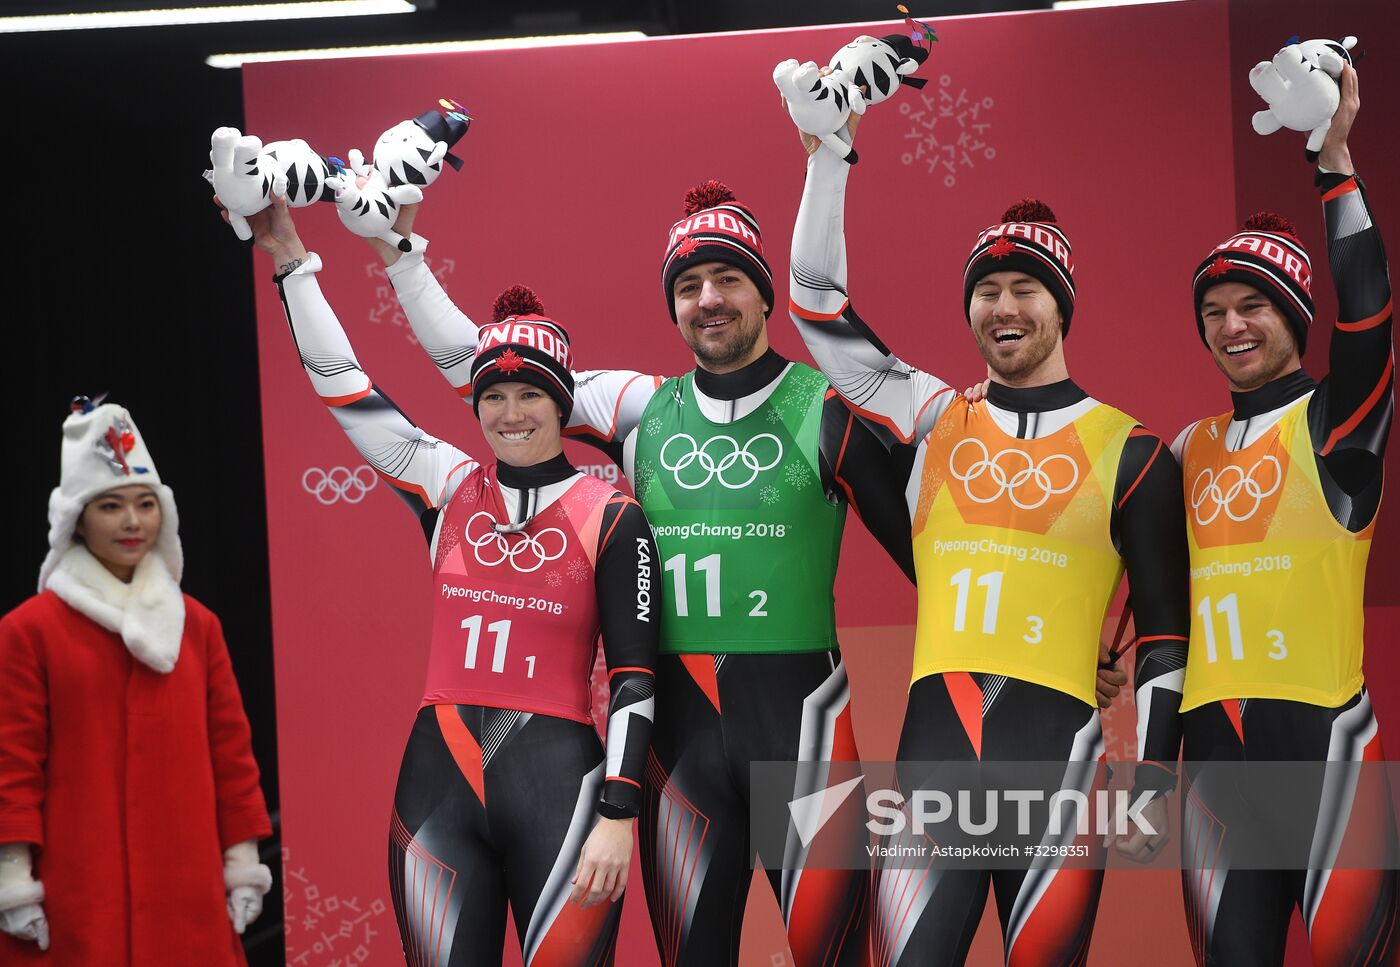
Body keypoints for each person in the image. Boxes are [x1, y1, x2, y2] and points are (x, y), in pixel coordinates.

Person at [378, 177, 915, 965]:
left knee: (836, 955)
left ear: (765, 295)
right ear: (672, 306)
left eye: (730, 278)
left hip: (806, 726)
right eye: (690, 284)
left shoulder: (826, 406)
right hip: (680, 738)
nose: (710, 298)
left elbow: (926, 555)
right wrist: (402, 256)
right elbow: (487, 368)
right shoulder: (637, 405)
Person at [784, 105, 1190, 963]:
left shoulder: (1136, 452)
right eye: (986, 290)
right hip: (934, 771)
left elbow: (1163, 635)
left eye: (1025, 289)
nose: (1003, 307)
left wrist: (1152, 778)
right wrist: (830, 153)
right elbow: (817, 306)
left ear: (1062, 306)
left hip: (1064, 773)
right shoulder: (933, 416)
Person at [233, 191, 658, 965]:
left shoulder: (613, 513)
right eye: (493, 395)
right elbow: (343, 384)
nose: (511, 411)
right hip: (436, 786)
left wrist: (620, 812)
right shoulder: (446, 484)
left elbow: (634, 677)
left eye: (531, 393)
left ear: (562, 403)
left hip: (560, 794)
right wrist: (292, 260)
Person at [1173, 64, 1398, 965]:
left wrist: (1334, 161)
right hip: (1213, 759)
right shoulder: (1186, 447)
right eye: (1215, 311)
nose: (1231, 326)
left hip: (1326, 744)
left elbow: (1372, 310)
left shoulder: (1337, 422)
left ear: (1294, 316)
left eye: (1253, 306)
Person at [0, 398, 273, 965]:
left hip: (188, 886)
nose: (132, 522)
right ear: (77, 519)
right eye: (111, 506)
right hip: (77, 889)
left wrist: (242, 861)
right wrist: (12, 875)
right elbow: (12, 761)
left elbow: (231, 755)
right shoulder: (29, 631)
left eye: (146, 505)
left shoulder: (196, 626)